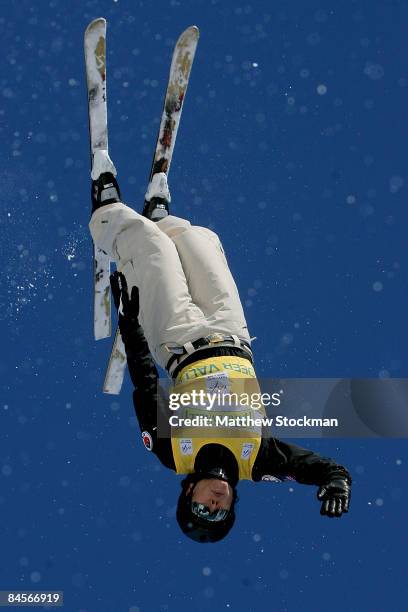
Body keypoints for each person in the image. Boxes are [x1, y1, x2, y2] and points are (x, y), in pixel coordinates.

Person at [89, 170, 352, 544]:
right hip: (231, 333)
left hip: (177, 341)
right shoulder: (258, 460)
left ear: (187, 494)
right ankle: (163, 219)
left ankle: (108, 215)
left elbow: (145, 386)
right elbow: (323, 468)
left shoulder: (172, 453)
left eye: (202, 510)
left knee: (149, 247)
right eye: (219, 513)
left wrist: (131, 326)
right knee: (202, 241)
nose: (214, 504)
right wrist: (336, 482)